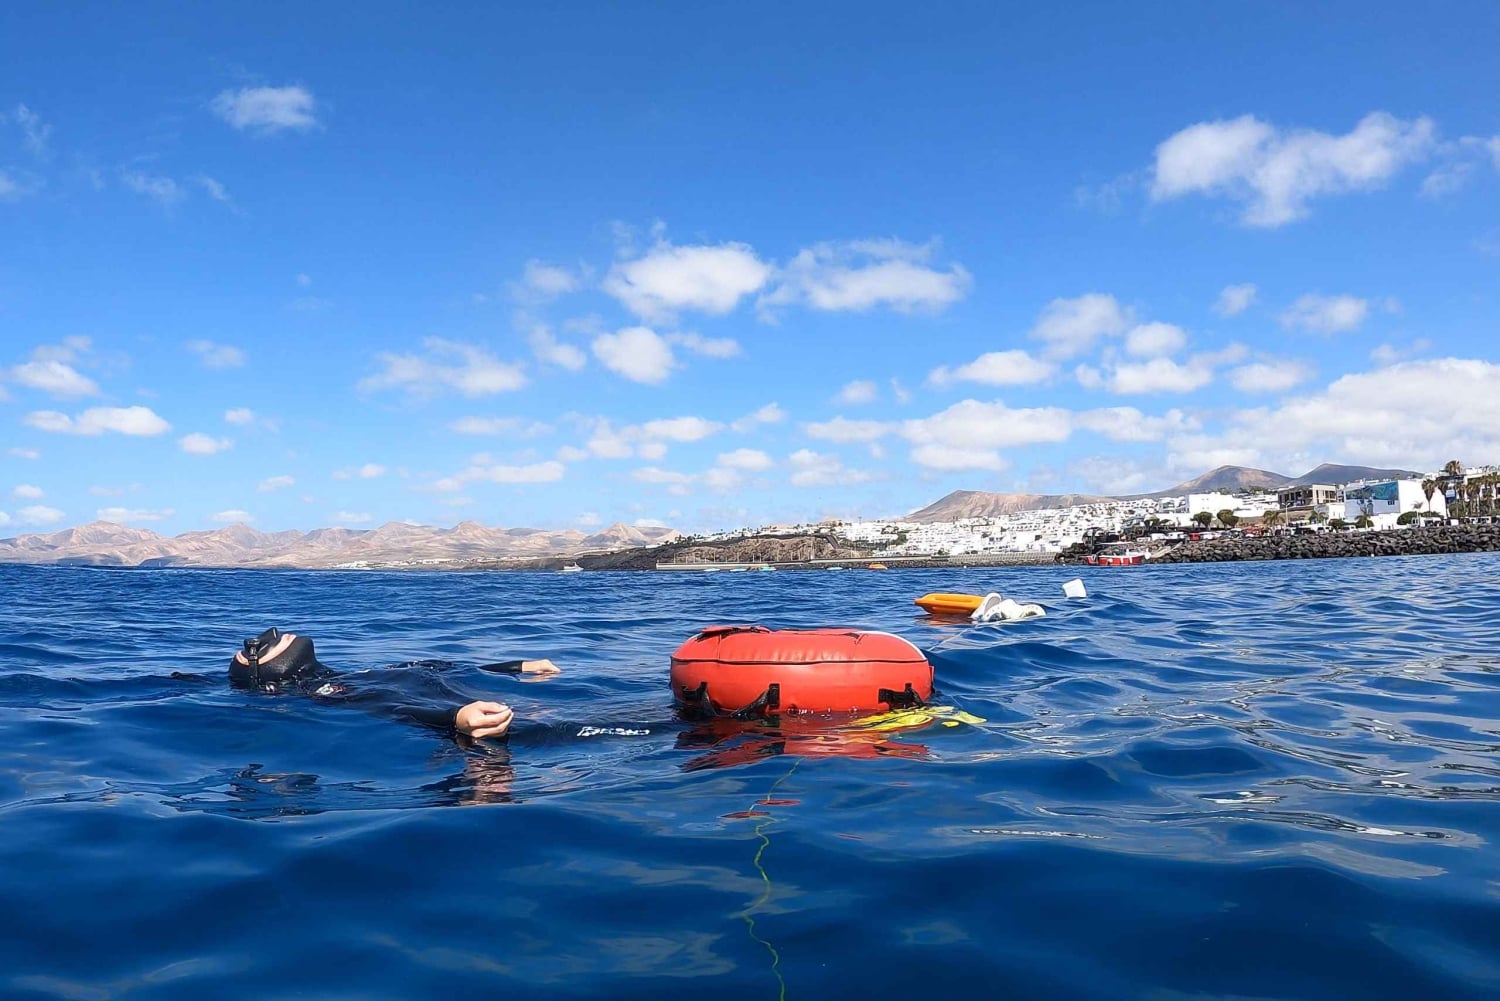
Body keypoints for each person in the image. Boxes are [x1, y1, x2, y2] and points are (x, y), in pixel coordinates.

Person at [229, 627, 559, 740]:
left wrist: (519, 666)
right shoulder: (321, 692)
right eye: (257, 644)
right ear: (267, 670)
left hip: (459, 688)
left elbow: (440, 667)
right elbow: (386, 707)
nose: (274, 633)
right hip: (458, 712)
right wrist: (454, 719)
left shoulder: (339, 676)